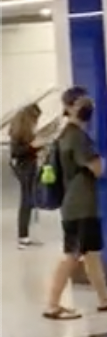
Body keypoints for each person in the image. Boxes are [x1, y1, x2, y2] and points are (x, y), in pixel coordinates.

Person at [44, 86, 107, 321]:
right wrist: (103, 162)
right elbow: (97, 168)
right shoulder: (76, 137)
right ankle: (52, 305)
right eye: (80, 102)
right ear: (68, 108)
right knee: (72, 254)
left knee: (91, 254)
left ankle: (104, 300)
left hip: (78, 204)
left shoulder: (66, 135)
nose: (85, 106)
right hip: (79, 206)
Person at [9, 103, 43, 247]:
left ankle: (24, 235)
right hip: (25, 168)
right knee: (26, 201)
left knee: (28, 200)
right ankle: (23, 236)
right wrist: (33, 147)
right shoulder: (19, 133)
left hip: (26, 166)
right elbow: (16, 152)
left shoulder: (21, 131)